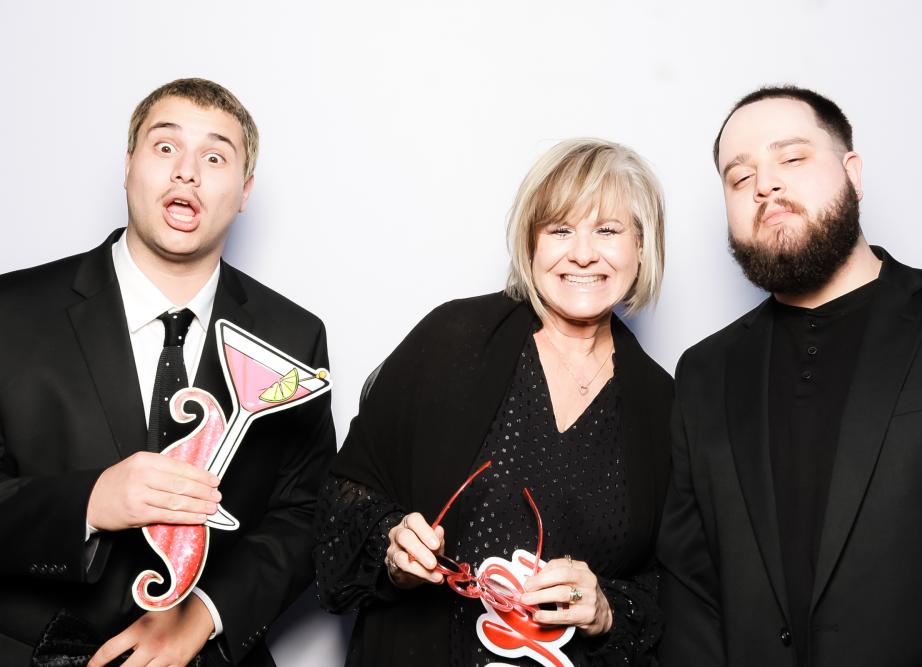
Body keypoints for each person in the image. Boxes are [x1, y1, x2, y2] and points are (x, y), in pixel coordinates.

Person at [657, 85, 922, 666]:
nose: (765, 185)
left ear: (853, 174)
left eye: (792, 158)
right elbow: (691, 588)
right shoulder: (704, 372)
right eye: (740, 177)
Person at [0, 78, 336, 666]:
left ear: (244, 191)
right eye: (165, 147)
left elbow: (306, 514)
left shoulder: (293, 337)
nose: (187, 172)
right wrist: (90, 502)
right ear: (128, 165)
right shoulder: (12, 311)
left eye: (215, 157)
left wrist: (203, 617)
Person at [315, 138, 673, 666]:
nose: (583, 253)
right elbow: (344, 497)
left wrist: (606, 609)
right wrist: (393, 549)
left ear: (641, 247)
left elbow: (674, 588)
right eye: (560, 230)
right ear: (530, 245)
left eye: (607, 230)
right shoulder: (452, 340)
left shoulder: (664, 403)